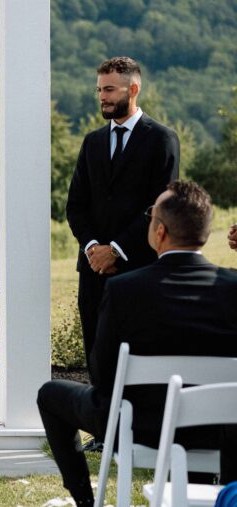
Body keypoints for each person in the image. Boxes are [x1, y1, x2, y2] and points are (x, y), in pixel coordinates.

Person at [38, 180, 237, 507]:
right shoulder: (233, 289)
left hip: (142, 427)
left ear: (159, 232)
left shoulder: (123, 290)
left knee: (50, 395)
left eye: (150, 215)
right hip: (218, 431)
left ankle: (85, 504)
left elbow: (103, 377)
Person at [66, 56, 180, 368]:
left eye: (110, 90)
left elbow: (160, 206)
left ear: (133, 89)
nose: (102, 96)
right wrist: (93, 249)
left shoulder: (162, 139)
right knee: (96, 360)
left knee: (138, 361)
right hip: (92, 272)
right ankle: (101, 418)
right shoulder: (92, 142)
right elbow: (75, 205)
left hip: (139, 268)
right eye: (99, 89)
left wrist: (116, 250)